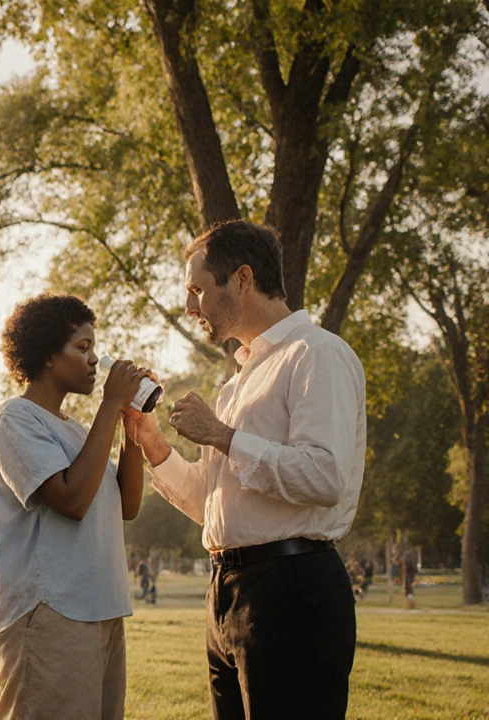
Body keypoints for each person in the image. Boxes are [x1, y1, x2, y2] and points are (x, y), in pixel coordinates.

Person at [122, 220, 366, 719]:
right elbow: (219, 506)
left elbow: (325, 476)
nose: (189, 307)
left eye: (196, 290)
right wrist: (153, 444)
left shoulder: (317, 355)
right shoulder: (236, 383)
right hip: (228, 592)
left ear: (242, 279)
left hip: (291, 591)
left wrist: (224, 436)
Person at [0, 293, 148, 720]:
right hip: (51, 614)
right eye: (82, 347)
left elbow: (126, 504)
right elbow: (71, 499)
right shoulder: (14, 418)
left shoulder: (76, 432)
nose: (94, 360)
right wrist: (110, 404)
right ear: (47, 355)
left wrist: (130, 425)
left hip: (103, 610)